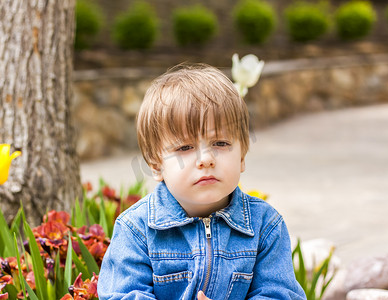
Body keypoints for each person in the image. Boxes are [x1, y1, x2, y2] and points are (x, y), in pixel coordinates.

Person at [98, 64, 306, 300]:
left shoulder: (265, 227)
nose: (206, 159)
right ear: (156, 165)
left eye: (220, 143)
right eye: (185, 148)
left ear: (241, 157)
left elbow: (279, 294)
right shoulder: (137, 230)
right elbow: (123, 295)